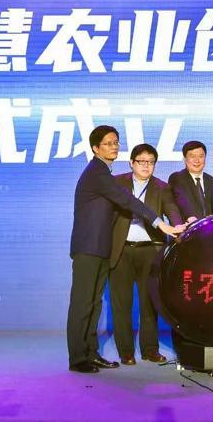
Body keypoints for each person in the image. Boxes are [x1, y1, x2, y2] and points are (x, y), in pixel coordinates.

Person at [67, 126, 182, 374]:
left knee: (94, 304)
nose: (114, 147)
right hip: (88, 247)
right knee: (82, 304)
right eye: (108, 143)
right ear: (95, 148)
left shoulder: (104, 172)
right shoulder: (97, 172)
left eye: (116, 142)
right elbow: (128, 200)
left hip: (101, 249)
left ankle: (91, 353)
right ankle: (78, 358)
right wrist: (160, 223)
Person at [109, 144, 183, 366]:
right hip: (121, 249)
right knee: (121, 303)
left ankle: (150, 349)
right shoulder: (116, 183)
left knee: (149, 303)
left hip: (150, 250)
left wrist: (178, 225)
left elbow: (172, 209)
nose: (146, 166)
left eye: (151, 162)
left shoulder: (162, 187)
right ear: (131, 163)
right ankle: (126, 352)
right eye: (141, 161)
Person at [167, 141, 213, 222]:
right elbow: (181, 200)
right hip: (188, 227)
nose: (197, 160)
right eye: (192, 156)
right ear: (184, 159)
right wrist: (190, 217)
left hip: (210, 227)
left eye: (201, 156)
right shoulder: (177, 178)